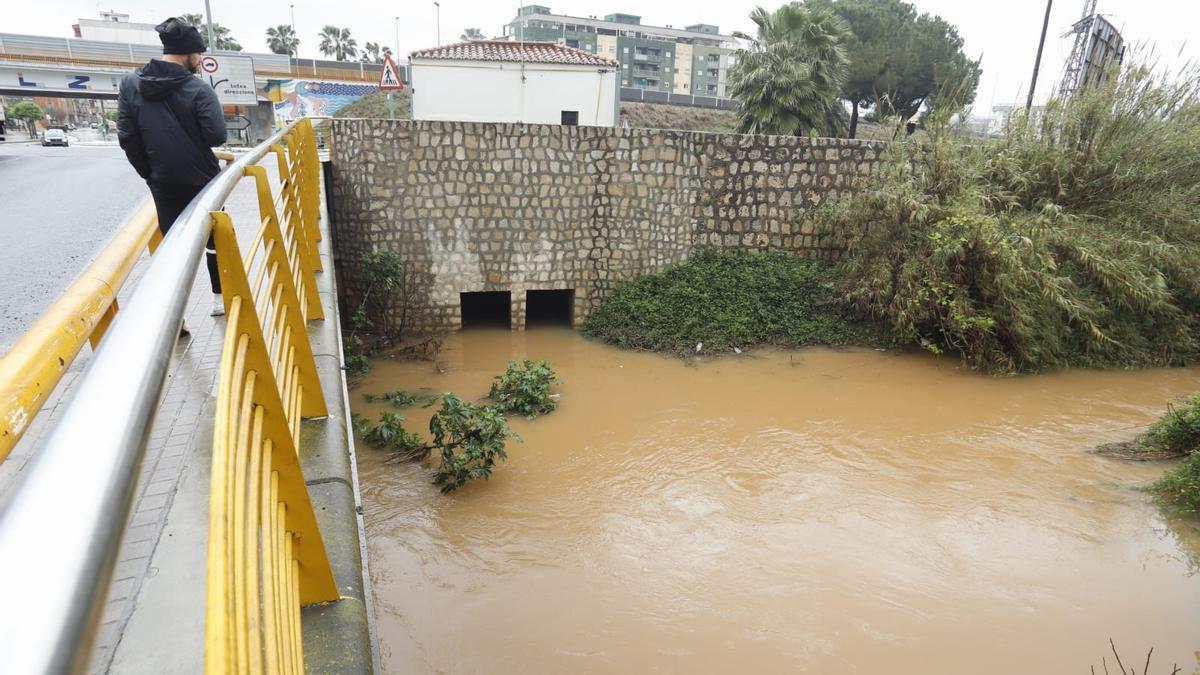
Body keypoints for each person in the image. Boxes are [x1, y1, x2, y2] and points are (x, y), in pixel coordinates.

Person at [117, 17, 227, 322]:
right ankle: (220, 300)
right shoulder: (197, 89)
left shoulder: (130, 84)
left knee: (171, 249)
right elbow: (216, 136)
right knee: (216, 241)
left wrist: (149, 173)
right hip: (203, 180)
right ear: (187, 54)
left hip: (163, 182)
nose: (201, 60)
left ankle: (175, 318)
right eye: (199, 54)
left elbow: (127, 136)